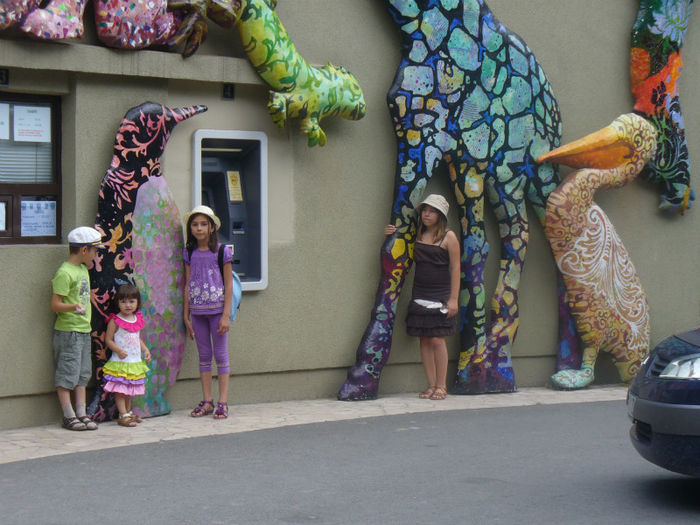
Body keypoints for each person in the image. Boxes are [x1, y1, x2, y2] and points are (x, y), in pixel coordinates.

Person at [385, 194, 460, 400]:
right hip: (420, 293)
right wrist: (391, 233)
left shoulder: (449, 237)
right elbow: (398, 245)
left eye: (432, 211)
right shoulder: (416, 233)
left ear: (441, 215)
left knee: (437, 338)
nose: (427, 214)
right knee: (425, 339)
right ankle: (431, 385)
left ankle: (442, 385)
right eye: (425, 210)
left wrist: (453, 299)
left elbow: (455, 268)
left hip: (441, 294)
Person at [50, 226, 104, 431]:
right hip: (68, 331)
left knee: (82, 374)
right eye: (94, 251)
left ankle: (81, 413)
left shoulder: (82, 269)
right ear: (84, 250)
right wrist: (73, 307)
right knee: (67, 374)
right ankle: (68, 415)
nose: (95, 255)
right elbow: (55, 304)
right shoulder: (64, 272)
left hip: (83, 330)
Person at [183, 205, 233, 419]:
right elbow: (187, 283)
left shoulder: (222, 251)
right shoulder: (188, 252)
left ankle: (223, 401)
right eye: (195, 224)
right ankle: (207, 401)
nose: (199, 228)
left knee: (220, 356)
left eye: (204, 224)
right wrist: (186, 315)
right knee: (204, 356)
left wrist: (225, 315)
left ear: (212, 228)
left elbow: (229, 285)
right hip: (197, 313)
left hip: (217, 312)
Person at [103, 283, 152, 427]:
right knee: (121, 390)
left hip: (134, 361)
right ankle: (122, 414)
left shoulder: (136, 319)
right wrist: (118, 350)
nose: (128, 305)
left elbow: (137, 338)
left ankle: (128, 412)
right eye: (123, 301)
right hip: (121, 362)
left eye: (131, 301)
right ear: (118, 303)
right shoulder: (115, 320)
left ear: (137, 302)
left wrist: (145, 350)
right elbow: (108, 339)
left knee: (130, 389)